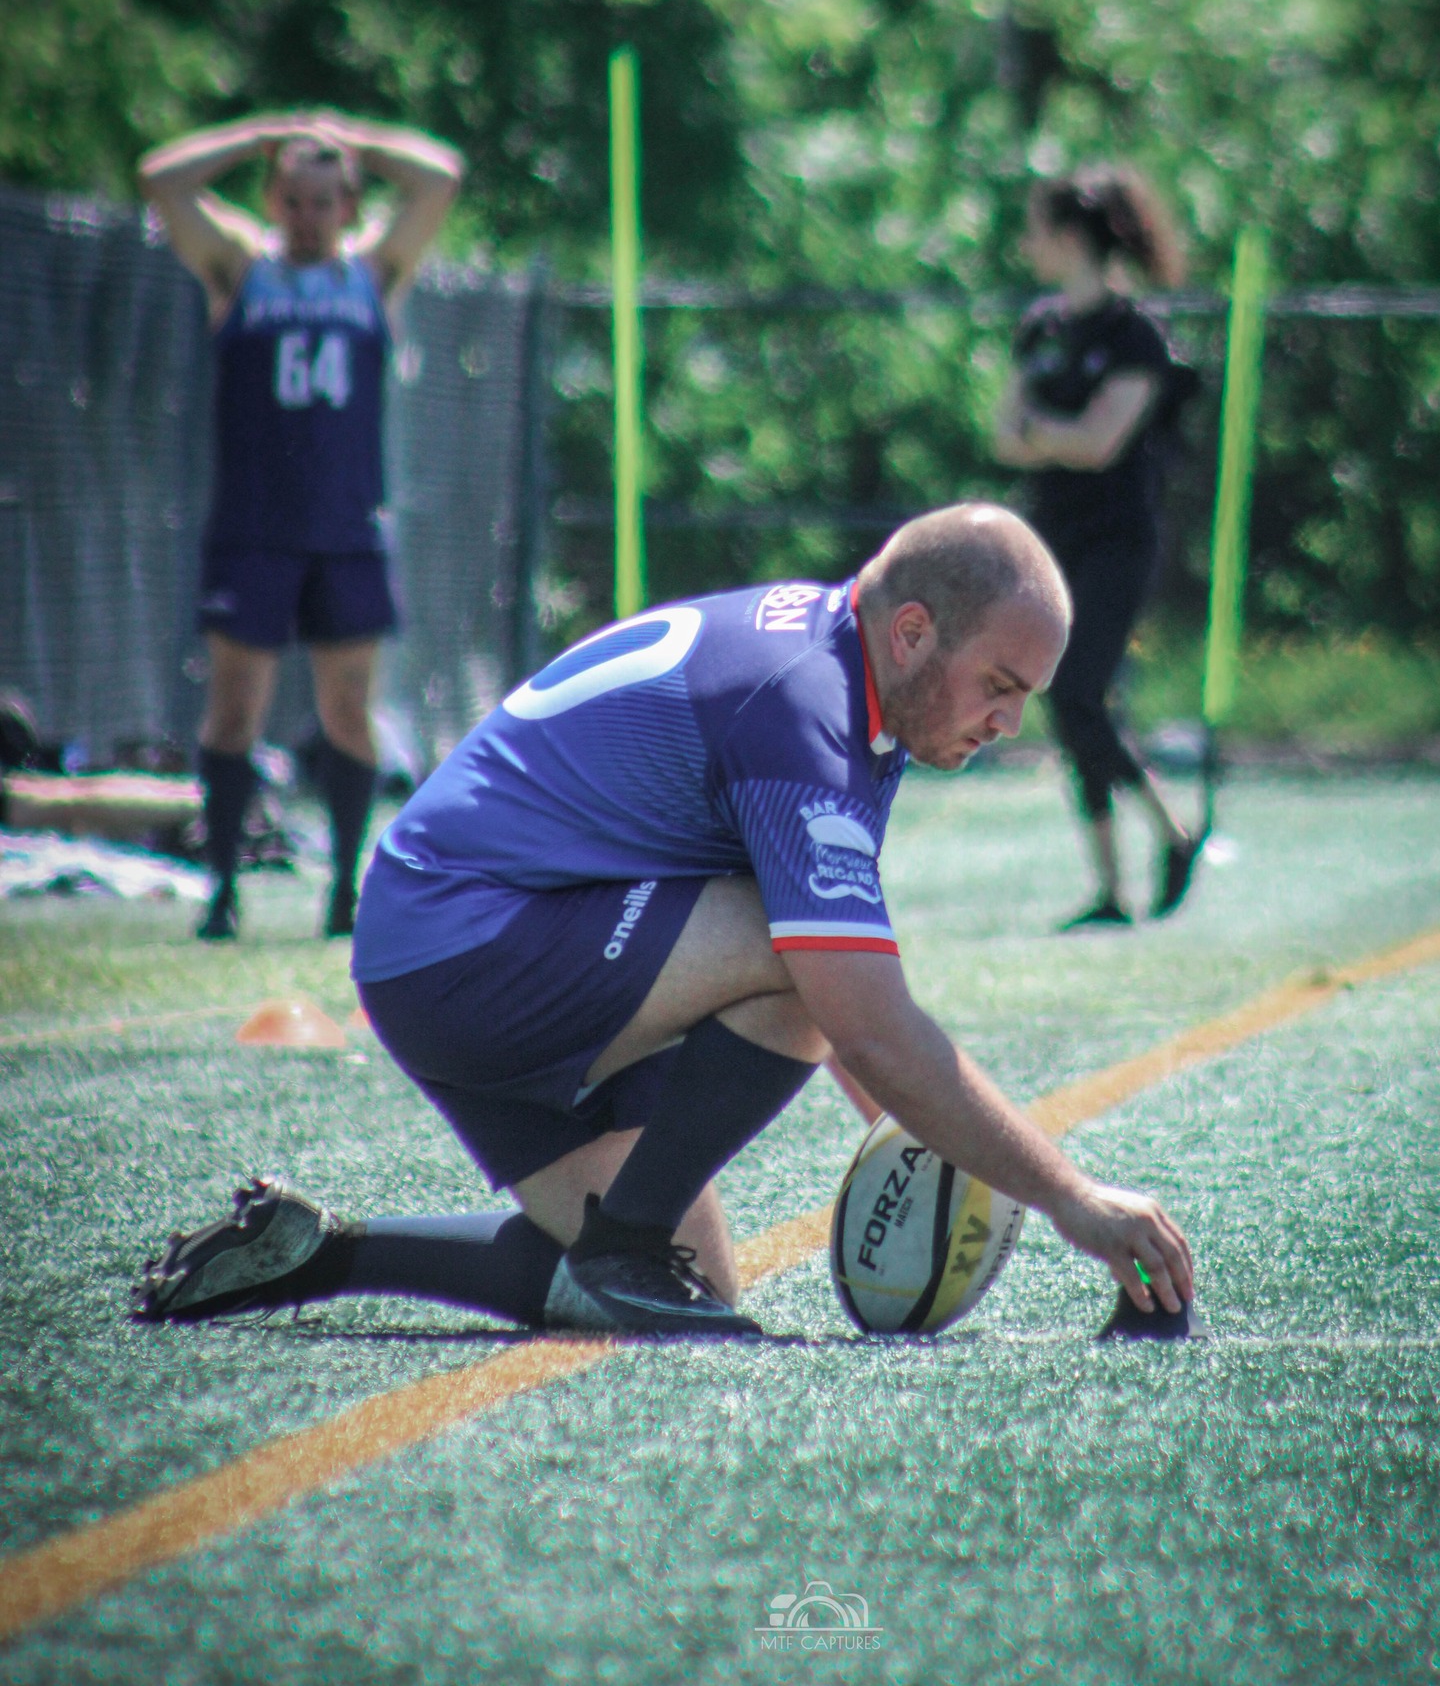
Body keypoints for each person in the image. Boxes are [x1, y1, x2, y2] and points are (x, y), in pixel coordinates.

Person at [132, 505, 1195, 1341]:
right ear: (914, 630)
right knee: (791, 975)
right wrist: (1069, 1198)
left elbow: (852, 1020)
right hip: (469, 940)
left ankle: (323, 1251)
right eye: (999, 686)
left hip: (470, 939)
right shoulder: (806, 710)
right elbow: (857, 1015)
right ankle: (627, 1236)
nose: (1009, 723)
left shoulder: (845, 664)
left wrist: (937, 1142)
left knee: (688, 1297)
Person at [137, 111, 463, 942]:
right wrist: (260, 136)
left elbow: (440, 178)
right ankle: (222, 890)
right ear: (274, 200)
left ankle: (345, 890)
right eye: (294, 199)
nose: (308, 216)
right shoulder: (240, 272)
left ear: (349, 207)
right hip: (254, 527)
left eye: (325, 201)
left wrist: (351, 135)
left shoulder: (373, 276)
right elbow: (161, 178)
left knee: (348, 711)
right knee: (235, 711)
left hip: (346, 528)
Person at [994, 167, 1203, 927]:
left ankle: (1170, 831)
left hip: (1117, 539)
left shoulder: (1134, 335)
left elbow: (1100, 445)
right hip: (1050, 538)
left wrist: (1045, 437)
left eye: (1037, 230)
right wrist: (1057, 440)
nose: (1026, 245)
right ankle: (1114, 886)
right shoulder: (1040, 326)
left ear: (1072, 239)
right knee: (1066, 702)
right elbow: (1003, 434)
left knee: (1079, 691)